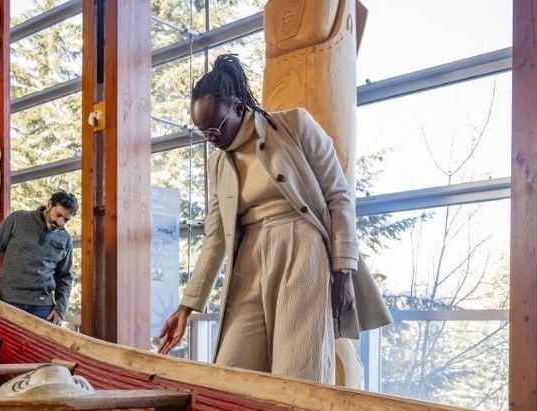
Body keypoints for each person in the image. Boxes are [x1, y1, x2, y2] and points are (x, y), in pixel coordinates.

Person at [157, 55, 391, 384]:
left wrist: (344, 272)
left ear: (237, 107)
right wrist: (186, 308)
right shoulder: (218, 165)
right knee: (231, 370)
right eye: (202, 132)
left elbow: (338, 197)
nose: (210, 137)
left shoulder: (295, 126)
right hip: (249, 261)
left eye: (214, 127)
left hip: (302, 249)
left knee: (298, 371)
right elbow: (215, 239)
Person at [0, 191, 77, 325]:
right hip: (8, 303)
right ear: (49, 204)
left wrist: (60, 309)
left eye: (66, 220)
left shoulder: (65, 239)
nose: (60, 222)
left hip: (43, 310)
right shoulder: (17, 219)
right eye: (58, 214)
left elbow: (65, 277)